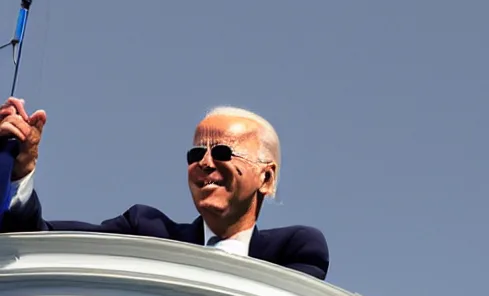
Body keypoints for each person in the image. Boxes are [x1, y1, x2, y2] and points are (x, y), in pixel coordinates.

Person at [0, 99, 328, 280]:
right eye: (196, 154)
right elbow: (37, 240)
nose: (206, 163)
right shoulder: (146, 230)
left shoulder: (295, 250)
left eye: (223, 153)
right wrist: (21, 168)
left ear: (266, 178)